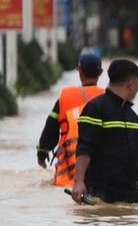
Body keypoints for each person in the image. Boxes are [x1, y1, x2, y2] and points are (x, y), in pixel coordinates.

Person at [70, 58, 138, 205]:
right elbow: (85, 149)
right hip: (100, 191)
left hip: (131, 192)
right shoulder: (96, 108)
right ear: (131, 83)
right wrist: (78, 182)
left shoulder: (131, 115)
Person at [37, 50, 105, 186]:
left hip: (68, 172)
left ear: (80, 72)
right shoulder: (107, 98)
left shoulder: (65, 97)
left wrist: (42, 153)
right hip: (101, 171)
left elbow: (50, 128)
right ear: (101, 72)